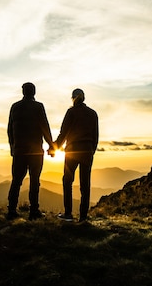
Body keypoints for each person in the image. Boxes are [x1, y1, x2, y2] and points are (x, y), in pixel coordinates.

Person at [6, 82, 54, 220]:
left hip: (19, 151)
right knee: (34, 180)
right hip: (35, 152)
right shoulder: (38, 106)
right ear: (34, 92)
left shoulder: (15, 107)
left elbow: (10, 130)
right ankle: (34, 211)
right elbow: (45, 127)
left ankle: (11, 211)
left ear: (23, 92)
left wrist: (12, 148)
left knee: (16, 181)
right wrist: (51, 146)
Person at [54, 88, 99, 222]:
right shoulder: (92, 114)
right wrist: (91, 151)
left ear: (73, 98)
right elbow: (95, 136)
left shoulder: (71, 112)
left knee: (67, 181)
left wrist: (54, 148)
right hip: (87, 152)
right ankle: (83, 216)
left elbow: (63, 133)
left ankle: (68, 214)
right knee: (85, 184)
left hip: (72, 151)